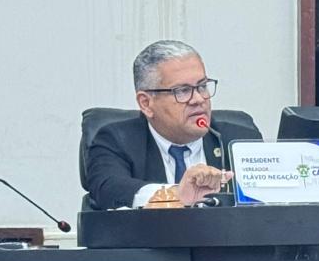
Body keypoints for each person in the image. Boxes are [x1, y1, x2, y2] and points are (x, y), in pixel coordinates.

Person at [84, 40, 235, 209]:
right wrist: (175, 195)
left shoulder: (237, 139)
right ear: (146, 103)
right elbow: (109, 189)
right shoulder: (116, 141)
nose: (199, 99)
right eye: (182, 91)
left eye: (202, 86)